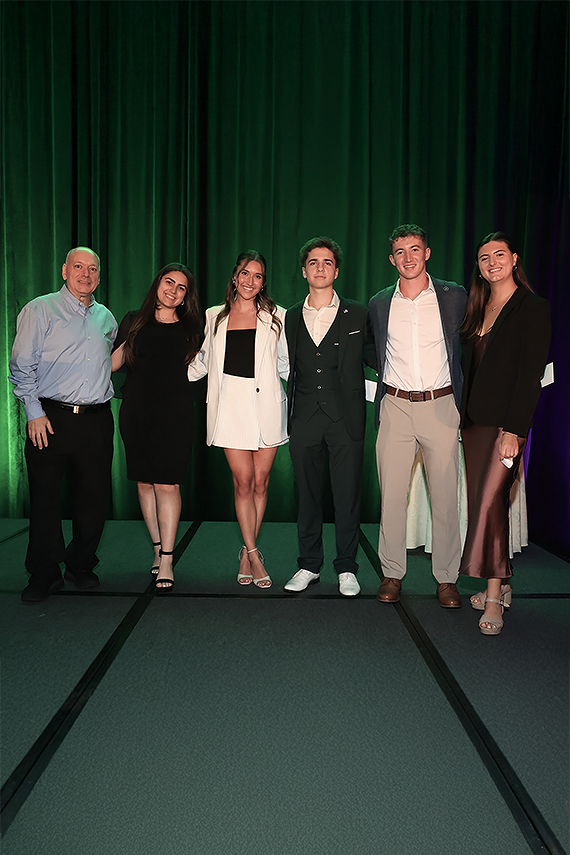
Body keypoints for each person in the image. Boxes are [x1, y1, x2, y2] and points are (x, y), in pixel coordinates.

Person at [9, 247, 117, 604]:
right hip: (50, 419)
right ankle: (44, 574)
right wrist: (33, 413)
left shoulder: (106, 318)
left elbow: (111, 362)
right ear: (64, 271)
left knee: (94, 499)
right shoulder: (40, 310)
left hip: (97, 422)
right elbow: (21, 367)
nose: (86, 274)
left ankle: (81, 565)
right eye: (78, 267)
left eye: (93, 269)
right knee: (45, 499)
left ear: (99, 276)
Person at [368, 224, 467, 607]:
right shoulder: (379, 302)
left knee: (445, 498)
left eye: (415, 249)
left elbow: (470, 348)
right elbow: (372, 351)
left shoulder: (453, 296)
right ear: (392, 259)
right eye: (400, 252)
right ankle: (392, 573)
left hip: (441, 406)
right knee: (392, 497)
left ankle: (447, 578)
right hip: (395, 407)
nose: (408, 257)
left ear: (427, 253)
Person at [459, 232, 551, 635]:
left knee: (491, 505)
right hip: (474, 425)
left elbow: (530, 375)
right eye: (484, 258)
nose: (492, 262)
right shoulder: (477, 307)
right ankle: (504, 583)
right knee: (484, 502)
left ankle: (493, 596)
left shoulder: (533, 308)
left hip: (504, 427)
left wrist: (515, 430)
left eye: (499, 255)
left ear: (514, 259)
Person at [187, 250, 288, 588]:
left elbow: (287, 364)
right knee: (243, 482)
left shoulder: (277, 316)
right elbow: (201, 362)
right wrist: (164, 372)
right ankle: (255, 554)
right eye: (245, 273)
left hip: (267, 408)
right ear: (234, 276)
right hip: (230, 407)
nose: (250, 281)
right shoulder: (213, 315)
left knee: (261, 483)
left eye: (257, 276)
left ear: (263, 283)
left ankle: (246, 550)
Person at [283, 237, 375, 598]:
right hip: (304, 418)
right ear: (304, 270)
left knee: (347, 495)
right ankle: (308, 564)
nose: (320, 268)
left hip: (346, 419)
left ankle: (347, 568)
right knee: (306, 496)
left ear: (336, 270)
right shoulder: (290, 316)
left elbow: (380, 356)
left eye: (327, 262)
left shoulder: (358, 313)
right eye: (313, 262)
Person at [111, 263, 202, 590]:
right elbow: (113, 363)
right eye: (169, 282)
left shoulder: (193, 328)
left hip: (175, 414)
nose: (174, 290)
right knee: (144, 483)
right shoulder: (134, 320)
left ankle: (167, 558)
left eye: (181, 287)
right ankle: (156, 548)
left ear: (185, 296)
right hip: (136, 412)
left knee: (167, 484)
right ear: (157, 284)